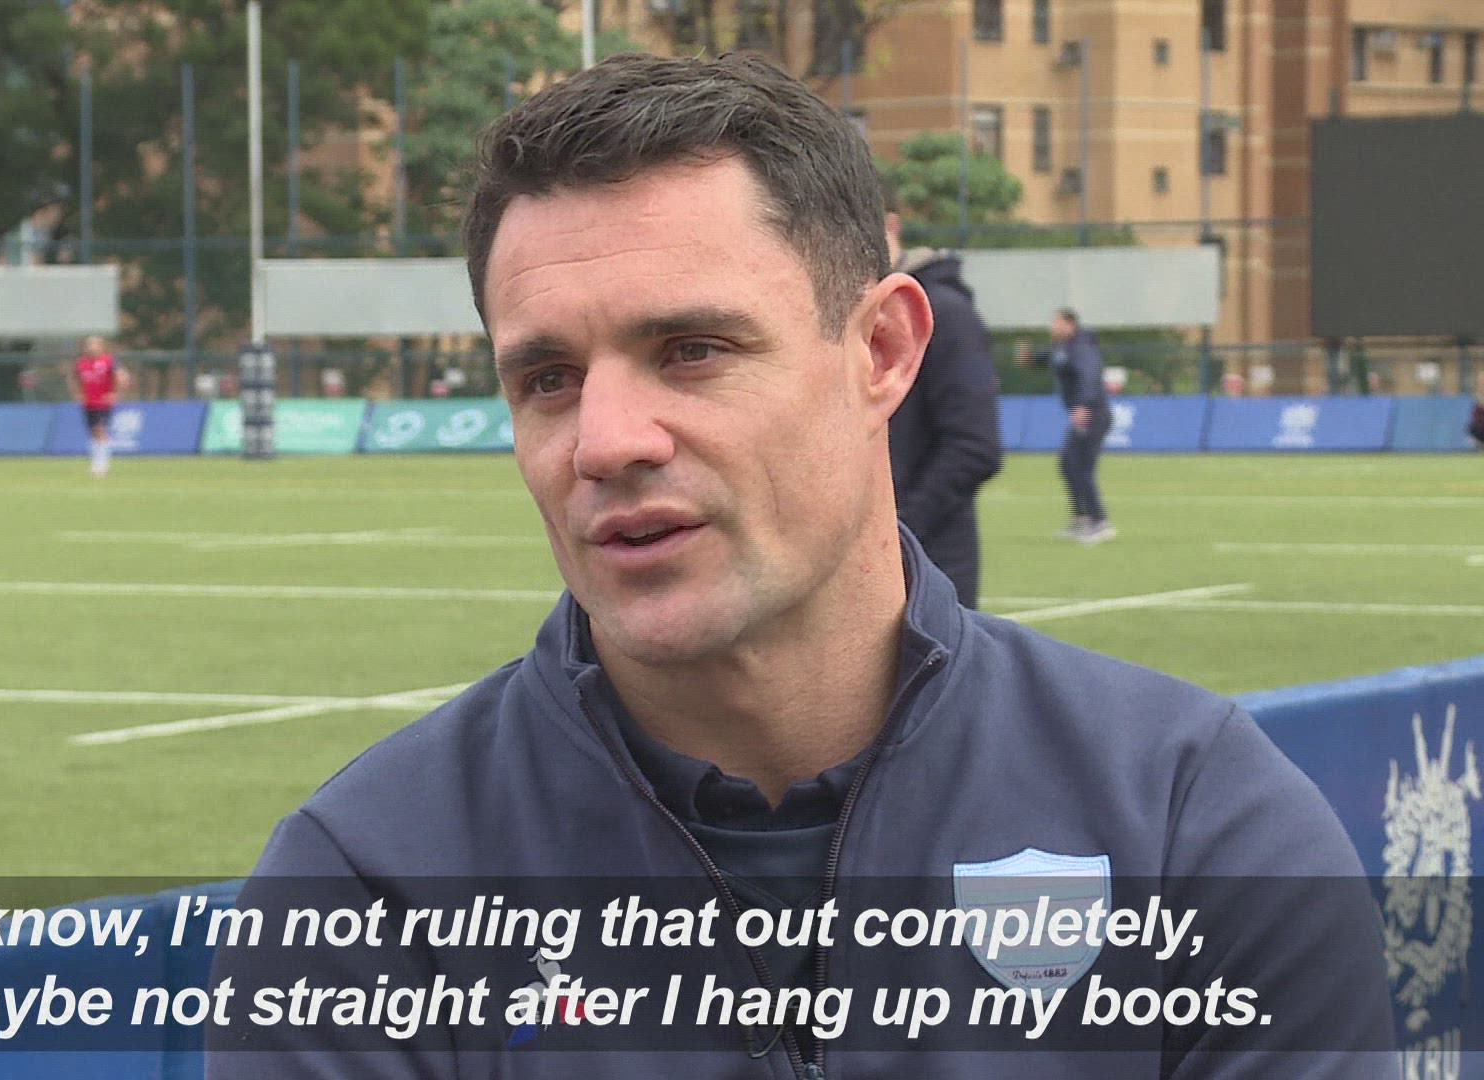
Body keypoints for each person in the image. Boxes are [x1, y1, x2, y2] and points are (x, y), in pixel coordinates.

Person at [208, 53, 1393, 1078]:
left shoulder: (1193, 826)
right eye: (548, 379)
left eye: (692, 350)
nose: (606, 442)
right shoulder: (368, 893)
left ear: (882, 350)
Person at [881, 180, 1002, 608]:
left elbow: (974, 446)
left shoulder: (946, 314)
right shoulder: (840, 314)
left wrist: (898, 531)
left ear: (891, 226)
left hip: (930, 568)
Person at [1018, 311, 1113, 542]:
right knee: (1069, 465)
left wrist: (1083, 405)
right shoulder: (1063, 347)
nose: (1053, 326)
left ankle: (1099, 521)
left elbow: (1089, 375)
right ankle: (1081, 519)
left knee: (1082, 468)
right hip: (1083, 413)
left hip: (1092, 413)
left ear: (1070, 324)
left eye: (1057, 322)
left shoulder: (1081, 346)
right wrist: (1030, 358)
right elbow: (1051, 360)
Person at [68, 336, 128, 477]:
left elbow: (122, 377)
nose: (91, 347)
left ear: (102, 346)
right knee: (93, 432)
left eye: (94, 344)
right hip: (88, 403)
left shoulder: (109, 361)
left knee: (100, 430)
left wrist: (116, 393)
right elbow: (72, 378)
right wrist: (77, 394)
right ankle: (96, 461)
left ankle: (101, 464)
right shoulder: (81, 362)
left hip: (103, 403)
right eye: (89, 344)